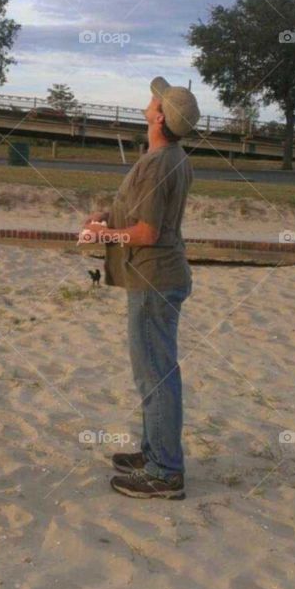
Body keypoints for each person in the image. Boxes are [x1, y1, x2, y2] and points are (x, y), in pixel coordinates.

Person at [80, 76, 199, 500]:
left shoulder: (158, 163)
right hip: (161, 276)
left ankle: (165, 471)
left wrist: (102, 237)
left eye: (155, 100)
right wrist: (106, 217)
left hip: (153, 278)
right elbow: (142, 212)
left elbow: (147, 232)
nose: (149, 102)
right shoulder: (173, 157)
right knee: (154, 371)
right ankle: (154, 453)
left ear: (160, 117)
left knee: (155, 375)